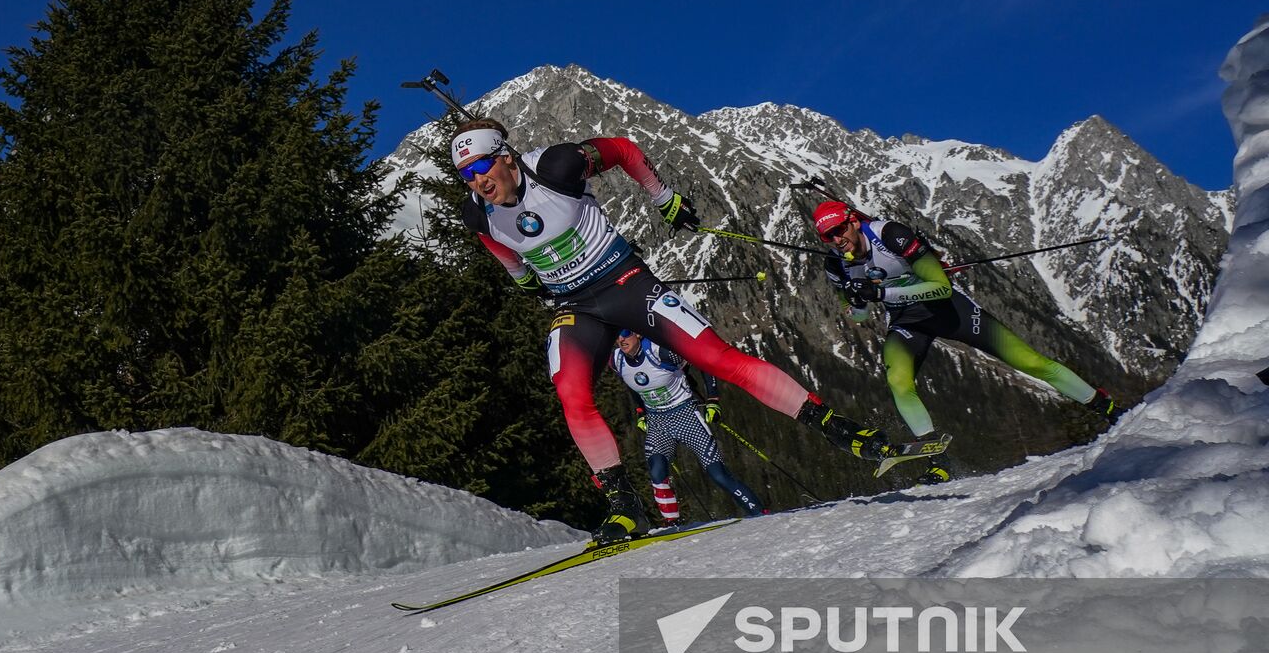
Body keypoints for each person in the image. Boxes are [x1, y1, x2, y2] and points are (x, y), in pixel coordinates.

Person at [453, 118, 903, 542]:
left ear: (507, 157)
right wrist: (522, 277)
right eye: (465, 175)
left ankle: (839, 429)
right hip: (576, 305)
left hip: (624, 283)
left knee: (716, 359)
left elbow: (625, 150)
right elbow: (495, 242)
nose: (477, 181)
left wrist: (663, 197)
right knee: (571, 392)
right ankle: (624, 505)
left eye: (481, 166)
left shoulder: (557, 165)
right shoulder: (477, 211)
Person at [812, 200, 1124, 483]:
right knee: (897, 379)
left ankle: (1106, 407)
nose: (836, 239)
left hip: (949, 310)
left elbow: (941, 287)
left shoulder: (890, 234)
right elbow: (859, 316)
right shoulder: (836, 264)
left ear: (853, 221)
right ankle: (938, 461)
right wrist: (857, 301)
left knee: (1029, 362)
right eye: (827, 236)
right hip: (906, 322)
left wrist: (881, 293)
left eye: (839, 230)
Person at [611, 328, 765, 525]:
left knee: (717, 474)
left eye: (626, 333)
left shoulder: (660, 352)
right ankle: (673, 524)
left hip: (685, 415)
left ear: (639, 334)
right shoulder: (616, 360)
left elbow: (702, 360)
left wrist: (713, 400)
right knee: (657, 472)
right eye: (617, 335)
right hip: (658, 422)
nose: (621, 339)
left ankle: (759, 512)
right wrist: (641, 411)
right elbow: (631, 382)